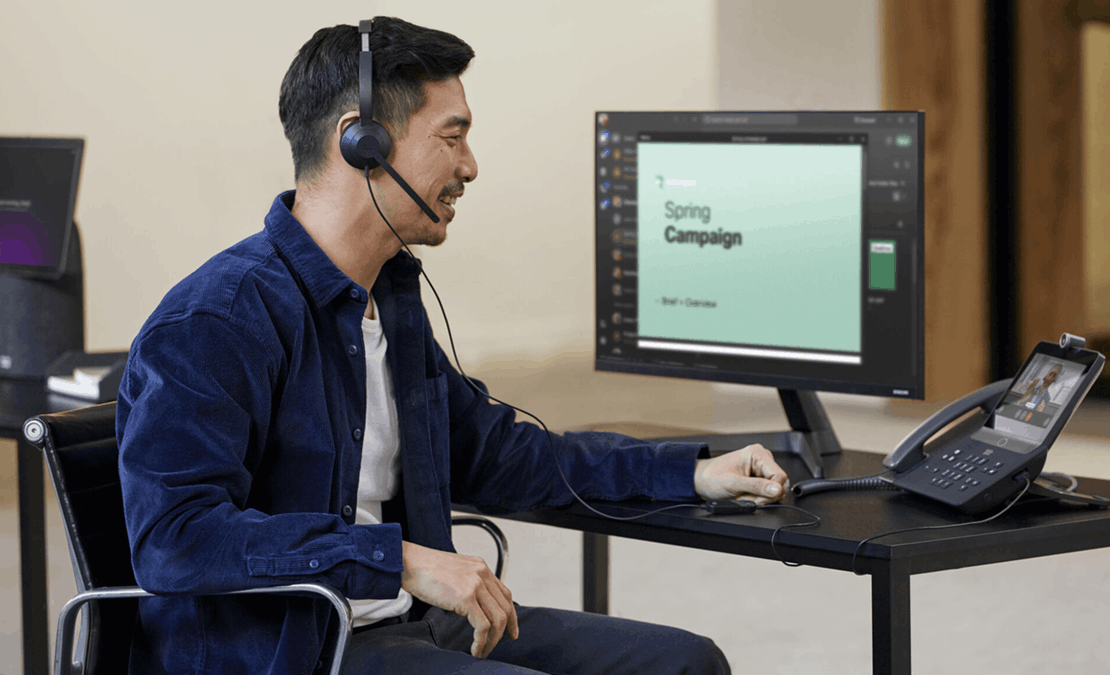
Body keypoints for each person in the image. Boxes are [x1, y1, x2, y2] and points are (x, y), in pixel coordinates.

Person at [117, 16, 788, 675]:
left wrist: (691, 473)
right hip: (295, 650)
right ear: (362, 143)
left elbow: (500, 454)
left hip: (415, 627)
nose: (469, 165)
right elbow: (176, 539)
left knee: (685, 662)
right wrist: (402, 559)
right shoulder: (217, 319)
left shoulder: (392, 301)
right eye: (451, 137)